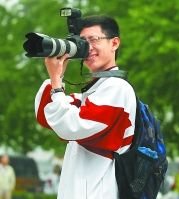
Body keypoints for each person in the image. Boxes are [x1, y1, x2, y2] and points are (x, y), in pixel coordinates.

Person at [34, 15, 136, 199]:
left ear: (114, 43)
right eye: (82, 42)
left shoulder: (117, 88)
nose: (87, 47)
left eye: (94, 40)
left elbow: (72, 126)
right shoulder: (96, 92)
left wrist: (57, 84)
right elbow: (45, 115)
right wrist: (57, 76)